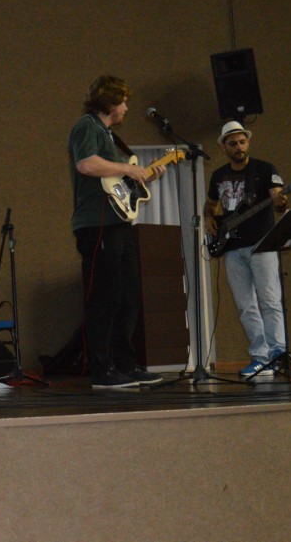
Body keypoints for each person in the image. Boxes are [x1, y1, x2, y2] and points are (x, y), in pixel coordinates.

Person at [68, 75, 165, 390]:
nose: (126, 108)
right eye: (123, 102)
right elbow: (86, 165)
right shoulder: (88, 127)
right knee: (105, 297)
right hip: (97, 224)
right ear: (110, 102)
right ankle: (102, 368)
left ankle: (125, 363)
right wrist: (128, 168)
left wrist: (144, 177)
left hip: (117, 223)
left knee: (128, 297)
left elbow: (116, 185)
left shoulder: (109, 136)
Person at [205, 121, 287, 379]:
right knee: (245, 305)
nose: (239, 147)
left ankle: (277, 354)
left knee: (270, 300)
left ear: (248, 143)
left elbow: (279, 202)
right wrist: (209, 218)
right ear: (224, 147)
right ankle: (260, 357)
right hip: (231, 247)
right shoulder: (218, 175)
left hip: (262, 243)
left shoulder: (264, 169)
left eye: (242, 142)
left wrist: (280, 200)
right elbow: (211, 204)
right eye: (233, 144)